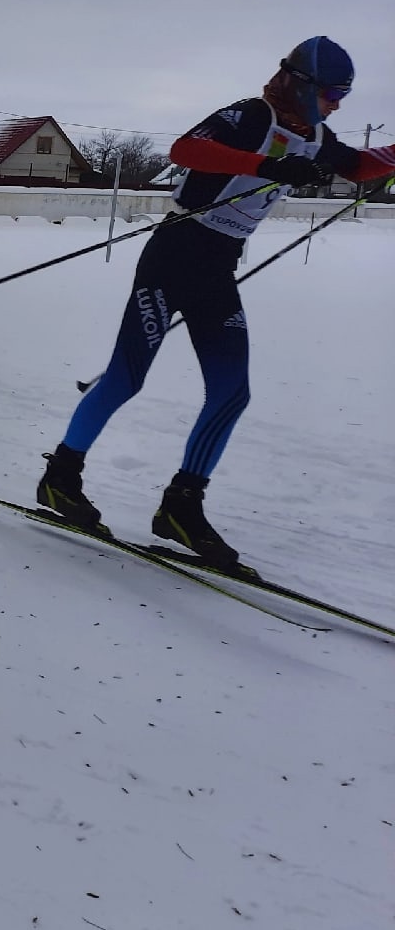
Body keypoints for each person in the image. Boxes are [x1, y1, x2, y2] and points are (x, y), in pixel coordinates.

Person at [37, 36, 395, 569]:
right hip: (173, 256)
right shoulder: (251, 115)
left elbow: (362, 165)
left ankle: (181, 506)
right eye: (332, 93)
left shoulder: (317, 137)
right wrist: (267, 166)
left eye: (344, 94)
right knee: (126, 377)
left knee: (232, 393)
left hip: (217, 270)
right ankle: (60, 479)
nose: (338, 103)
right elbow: (184, 150)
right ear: (301, 86)